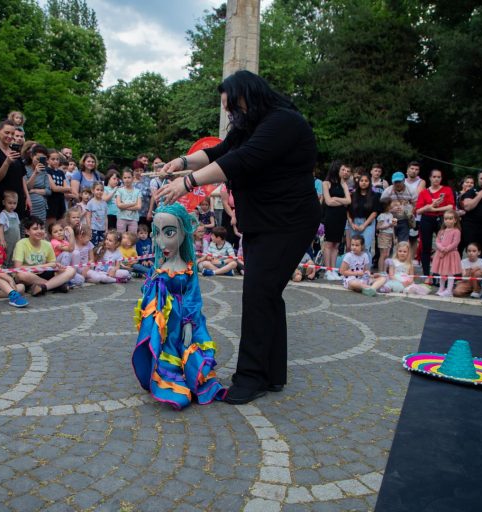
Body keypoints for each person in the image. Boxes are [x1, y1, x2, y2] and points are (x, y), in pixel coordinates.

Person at [153, 71, 321, 404]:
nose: (232, 114)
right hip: (264, 222)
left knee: (259, 294)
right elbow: (219, 151)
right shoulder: (250, 125)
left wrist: (187, 183)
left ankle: (251, 377)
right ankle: (272, 373)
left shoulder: (282, 122)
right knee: (267, 294)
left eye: (233, 106)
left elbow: (239, 160)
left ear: (249, 95)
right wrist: (182, 162)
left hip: (288, 222)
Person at [132, 203, 226, 409]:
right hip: (166, 319)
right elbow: (146, 291)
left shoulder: (188, 267)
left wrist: (189, 322)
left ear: (183, 232)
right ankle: (168, 377)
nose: (161, 241)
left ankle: (189, 376)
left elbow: (193, 295)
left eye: (169, 233)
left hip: (183, 317)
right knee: (167, 347)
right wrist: (152, 281)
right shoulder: (159, 265)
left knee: (185, 345)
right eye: (157, 233)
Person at [13, 216, 77, 295]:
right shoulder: (21, 244)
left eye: (42, 228)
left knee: (71, 270)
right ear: (27, 231)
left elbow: (53, 264)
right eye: (35, 229)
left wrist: (58, 267)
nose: (39, 231)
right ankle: (55, 286)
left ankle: (43, 287)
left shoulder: (47, 244)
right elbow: (18, 268)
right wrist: (44, 266)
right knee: (21, 274)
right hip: (29, 275)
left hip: (44, 273)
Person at [414, 168, 455, 278]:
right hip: (426, 219)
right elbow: (418, 210)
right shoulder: (424, 192)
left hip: (442, 219)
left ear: (441, 178)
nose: (436, 179)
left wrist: (434, 209)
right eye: (434, 177)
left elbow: (451, 206)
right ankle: (426, 274)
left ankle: (439, 273)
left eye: (438, 177)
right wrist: (429, 207)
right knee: (425, 247)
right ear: (430, 178)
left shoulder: (447, 190)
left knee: (443, 246)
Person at [0, 120, 30, 219]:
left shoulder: (15, 152)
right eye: (7, 133)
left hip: (18, 198)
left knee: (19, 225)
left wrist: (27, 196)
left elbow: (21, 177)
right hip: (3, 199)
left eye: (12, 134)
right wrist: (7, 162)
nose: (10, 136)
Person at [321, 161, 351, 280]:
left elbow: (348, 201)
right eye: (343, 170)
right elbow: (328, 202)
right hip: (330, 216)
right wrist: (341, 201)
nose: (345, 172)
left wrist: (336, 198)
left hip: (341, 216)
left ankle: (333, 270)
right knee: (329, 244)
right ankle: (327, 270)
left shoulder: (344, 184)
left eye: (347, 170)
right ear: (336, 169)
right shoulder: (326, 183)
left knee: (336, 244)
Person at [459, 170, 482, 262]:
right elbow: (467, 207)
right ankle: (469, 270)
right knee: (472, 251)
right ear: (478, 179)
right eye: (481, 178)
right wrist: (479, 196)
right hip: (472, 227)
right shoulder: (472, 191)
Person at [347, 172, 381, 260]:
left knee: (365, 247)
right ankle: (354, 266)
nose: (364, 182)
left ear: (369, 182)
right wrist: (351, 224)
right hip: (354, 223)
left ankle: (366, 267)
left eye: (366, 181)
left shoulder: (374, 196)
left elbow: (374, 212)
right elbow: (348, 211)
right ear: (358, 182)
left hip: (368, 223)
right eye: (361, 180)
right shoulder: (353, 195)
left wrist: (364, 225)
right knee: (354, 248)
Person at [431, 210, 462, 297]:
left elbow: (455, 243)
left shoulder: (456, 231)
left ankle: (449, 290)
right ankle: (441, 288)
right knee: (441, 272)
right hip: (441, 254)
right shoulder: (441, 231)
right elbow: (437, 241)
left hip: (451, 254)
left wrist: (446, 249)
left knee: (450, 273)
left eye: (450, 219)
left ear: (455, 220)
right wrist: (441, 248)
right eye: (446, 219)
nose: (448, 220)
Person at [114, 168, 141, 233]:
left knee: (132, 237)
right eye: (125, 178)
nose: (127, 179)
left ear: (133, 178)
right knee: (120, 237)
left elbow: (138, 206)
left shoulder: (138, 191)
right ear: (122, 179)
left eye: (129, 177)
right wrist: (133, 204)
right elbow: (119, 205)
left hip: (133, 218)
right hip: (121, 217)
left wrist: (124, 206)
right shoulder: (119, 190)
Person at [376, 202, 395, 271]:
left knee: (387, 254)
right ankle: (380, 271)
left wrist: (394, 237)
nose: (392, 206)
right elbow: (378, 227)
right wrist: (388, 225)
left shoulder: (391, 215)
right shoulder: (382, 215)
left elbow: (392, 228)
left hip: (390, 235)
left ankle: (384, 270)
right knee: (383, 254)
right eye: (391, 205)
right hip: (383, 235)